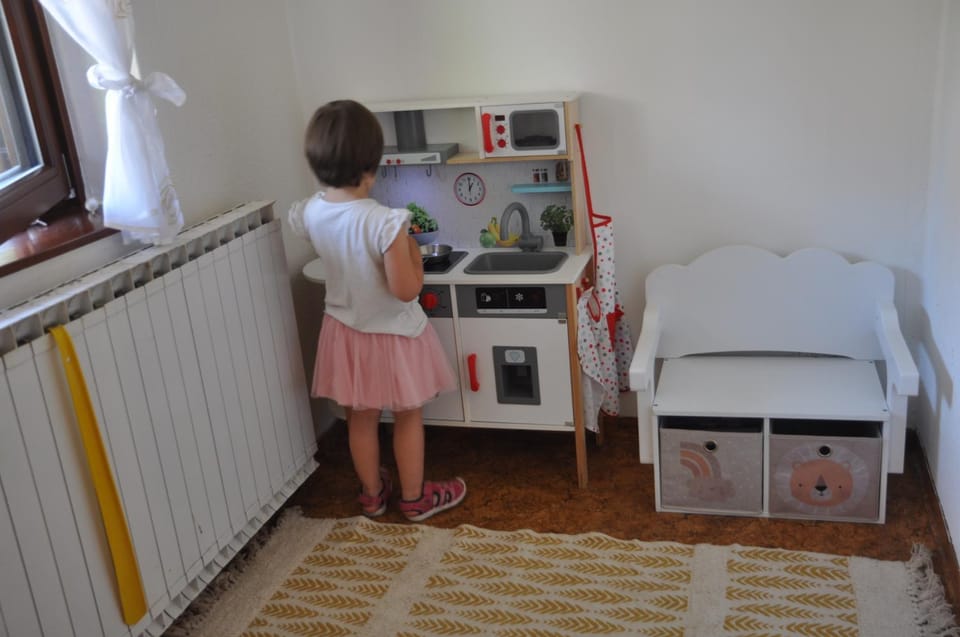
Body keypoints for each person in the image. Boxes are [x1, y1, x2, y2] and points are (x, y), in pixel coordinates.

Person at [289, 99, 466, 522]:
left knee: (360, 419)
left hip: (344, 333)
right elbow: (406, 289)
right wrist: (414, 253)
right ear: (372, 163)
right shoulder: (385, 221)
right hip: (393, 335)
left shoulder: (310, 212)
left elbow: (322, 238)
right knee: (407, 415)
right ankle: (414, 497)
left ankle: (371, 495)